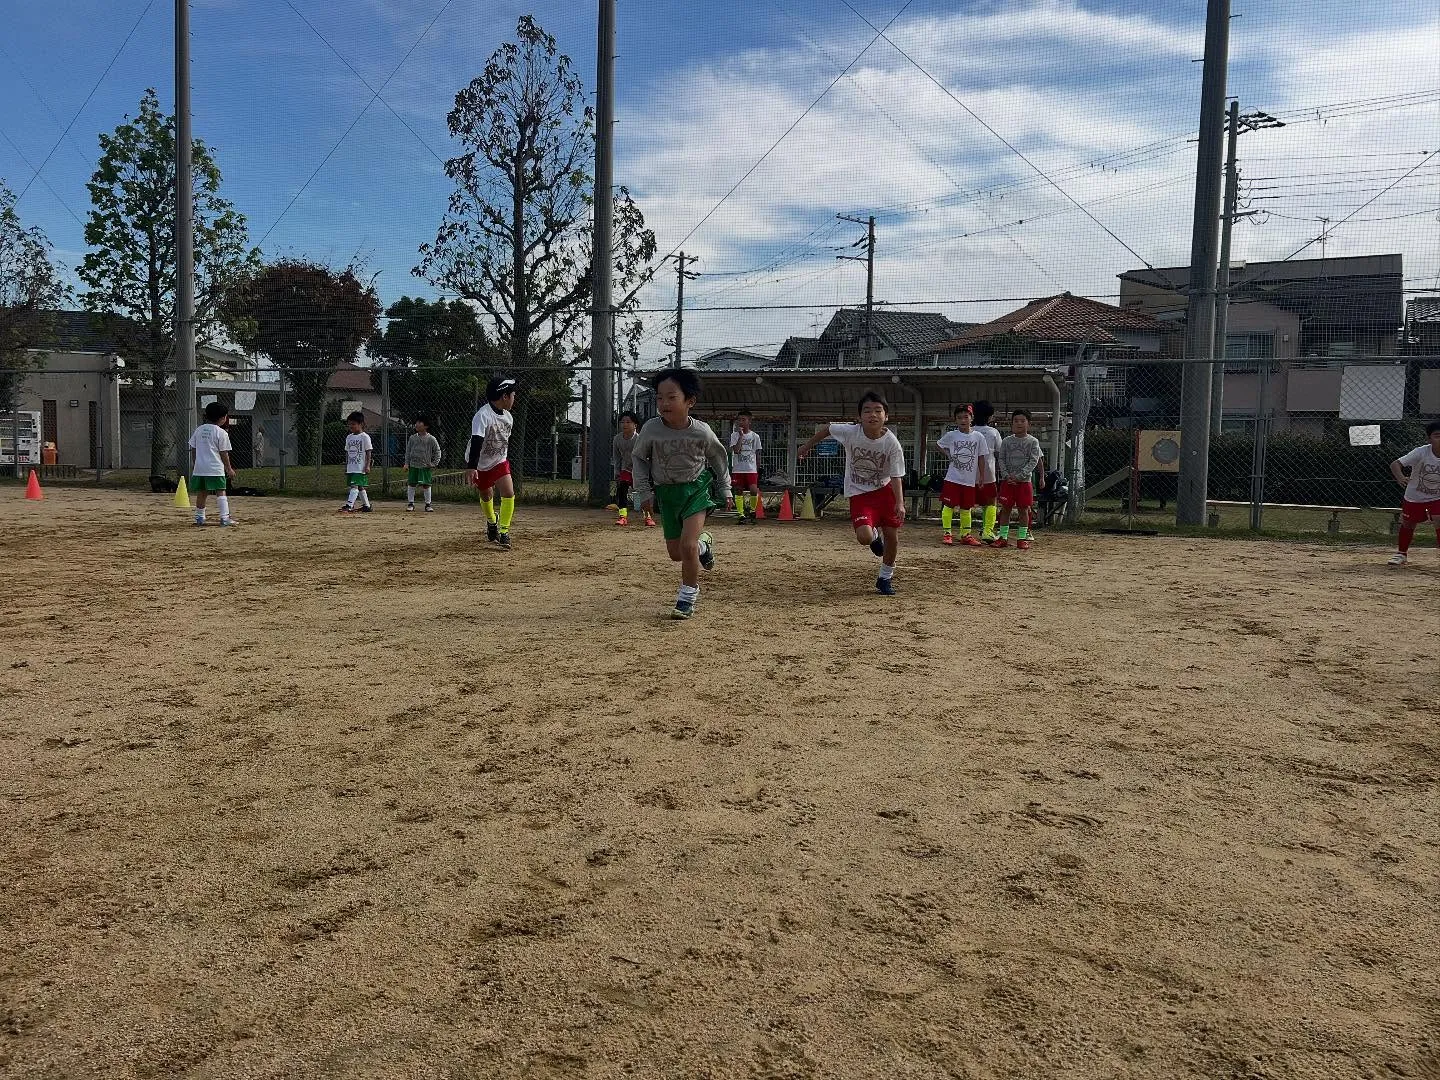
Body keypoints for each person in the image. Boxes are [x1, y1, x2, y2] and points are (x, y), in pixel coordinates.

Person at [630, 367, 732, 619]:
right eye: (659, 398)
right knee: (677, 554)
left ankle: (687, 598)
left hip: (695, 490)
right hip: (667, 493)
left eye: (671, 397)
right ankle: (704, 547)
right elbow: (639, 459)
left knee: (686, 546)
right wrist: (643, 491)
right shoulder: (651, 429)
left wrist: (725, 488)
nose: (664, 403)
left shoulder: (702, 431)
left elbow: (719, 460)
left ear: (690, 401)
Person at [798, 391, 906, 595]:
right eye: (867, 411)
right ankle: (874, 536)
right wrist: (807, 446)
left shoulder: (892, 443)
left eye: (877, 411)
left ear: (886, 416)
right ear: (859, 417)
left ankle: (885, 578)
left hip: (884, 491)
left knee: (892, 535)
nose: (872, 415)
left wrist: (899, 503)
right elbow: (827, 429)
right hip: (859, 493)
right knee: (864, 537)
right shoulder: (850, 432)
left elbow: (896, 475)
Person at [468, 376, 518, 549]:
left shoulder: (509, 418)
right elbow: (476, 441)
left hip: (499, 461)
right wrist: (472, 467)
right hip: (480, 463)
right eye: (512, 395)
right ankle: (492, 522)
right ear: (504, 396)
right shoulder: (482, 416)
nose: (514, 398)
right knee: (485, 495)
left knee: (508, 492)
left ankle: (504, 532)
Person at [936, 403, 994, 547]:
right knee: (949, 505)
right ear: (955, 420)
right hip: (953, 478)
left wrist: (981, 476)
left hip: (969, 480)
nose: (963, 420)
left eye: (966, 417)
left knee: (966, 507)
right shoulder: (952, 435)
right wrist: (948, 454)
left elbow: (981, 457)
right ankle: (947, 533)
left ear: (971, 418)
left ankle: (965, 534)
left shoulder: (978, 437)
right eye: (959, 417)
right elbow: (938, 444)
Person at [1388, 420, 1440, 567]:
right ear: (1429, 439)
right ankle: (1401, 554)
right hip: (1414, 496)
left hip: (1437, 497)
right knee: (1408, 524)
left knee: (1439, 518)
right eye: (1437, 436)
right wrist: (1400, 477)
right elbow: (1395, 464)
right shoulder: (1421, 452)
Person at [992, 409, 1044, 550]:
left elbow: (1033, 461)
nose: (1019, 423)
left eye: (1022, 421)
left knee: (1023, 510)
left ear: (1029, 424)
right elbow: (1001, 459)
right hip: (1007, 482)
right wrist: (1006, 475)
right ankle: (1003, 537)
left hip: (1024, 483)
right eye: (1016, 421)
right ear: (1011, 424)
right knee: (1005, 509)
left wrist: (1019, 476)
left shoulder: (1033, 442)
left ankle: (1022, 538)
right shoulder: (1007, 441)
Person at [188, 401, 237, 527]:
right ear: (222, 418)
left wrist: (195, 463)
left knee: (202, 492)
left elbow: (193, 448)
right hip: (215, 468)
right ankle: (224, 517)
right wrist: (229, 469)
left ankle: (199, 518)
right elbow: (224, 453)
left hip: (200, 468)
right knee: (220, 491)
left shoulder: (199, 430)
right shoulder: (221, 433)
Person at [611, 411, 654, 527]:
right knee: (622, 488)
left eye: (628, 422)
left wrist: (646, 473)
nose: (624, 424)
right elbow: (617, 457)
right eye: (622, 422)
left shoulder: (639, 439)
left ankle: (648, 517)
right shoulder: (617, 439)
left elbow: (646, 457)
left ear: (635, 425)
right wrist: (617, 471)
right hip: (626, 469)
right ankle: (623, 516)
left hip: (640, 470)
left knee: (643, 492)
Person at [971, 400, 1004, 542]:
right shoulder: (993, 432)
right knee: (990, 502)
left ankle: (965, 532)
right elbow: (1000, 451)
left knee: (967, 504)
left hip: (969, 474)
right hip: (987, 473)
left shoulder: (969, 431)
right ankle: (987, 530)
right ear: (989, 417)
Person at [729, 409, 763, 524]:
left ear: (749, 421)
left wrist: (758, 466)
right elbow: (736, 450)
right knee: (738, 490)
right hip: (738, 468)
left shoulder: (755, 436)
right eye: (739, 420)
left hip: (751, 468)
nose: (741, 422)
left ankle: (753, 511)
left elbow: (758, 452)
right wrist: (740, 436)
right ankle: (741, 514)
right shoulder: (734, 435)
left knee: (754, 490)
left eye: (743, 420)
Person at [338, 412, 374, 514]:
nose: (351, 426)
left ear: (361, 424)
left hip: (360, 467)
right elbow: (347, 453)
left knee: (355, 486)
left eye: (353, 424)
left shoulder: (364, 437)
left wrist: (367, 465)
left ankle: (349, 505)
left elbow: (368, 452)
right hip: (351, 466)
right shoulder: (349, 437)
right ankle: (366, 506)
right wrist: (346, 466)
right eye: (349, 424)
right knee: (360, 486)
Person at [405, 415, 442, 513]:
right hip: (413, 465)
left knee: (426, 485)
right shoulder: (412, 438)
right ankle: (411, 503)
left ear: (426, 426)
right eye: (416, 422)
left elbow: (438, 451)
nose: (417, 424)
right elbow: (408, 451)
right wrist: (406, 463)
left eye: (419, 422)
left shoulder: (431, 439)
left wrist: (434, 463)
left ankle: (428, 504)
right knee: (412, 484)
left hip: (425, 466)